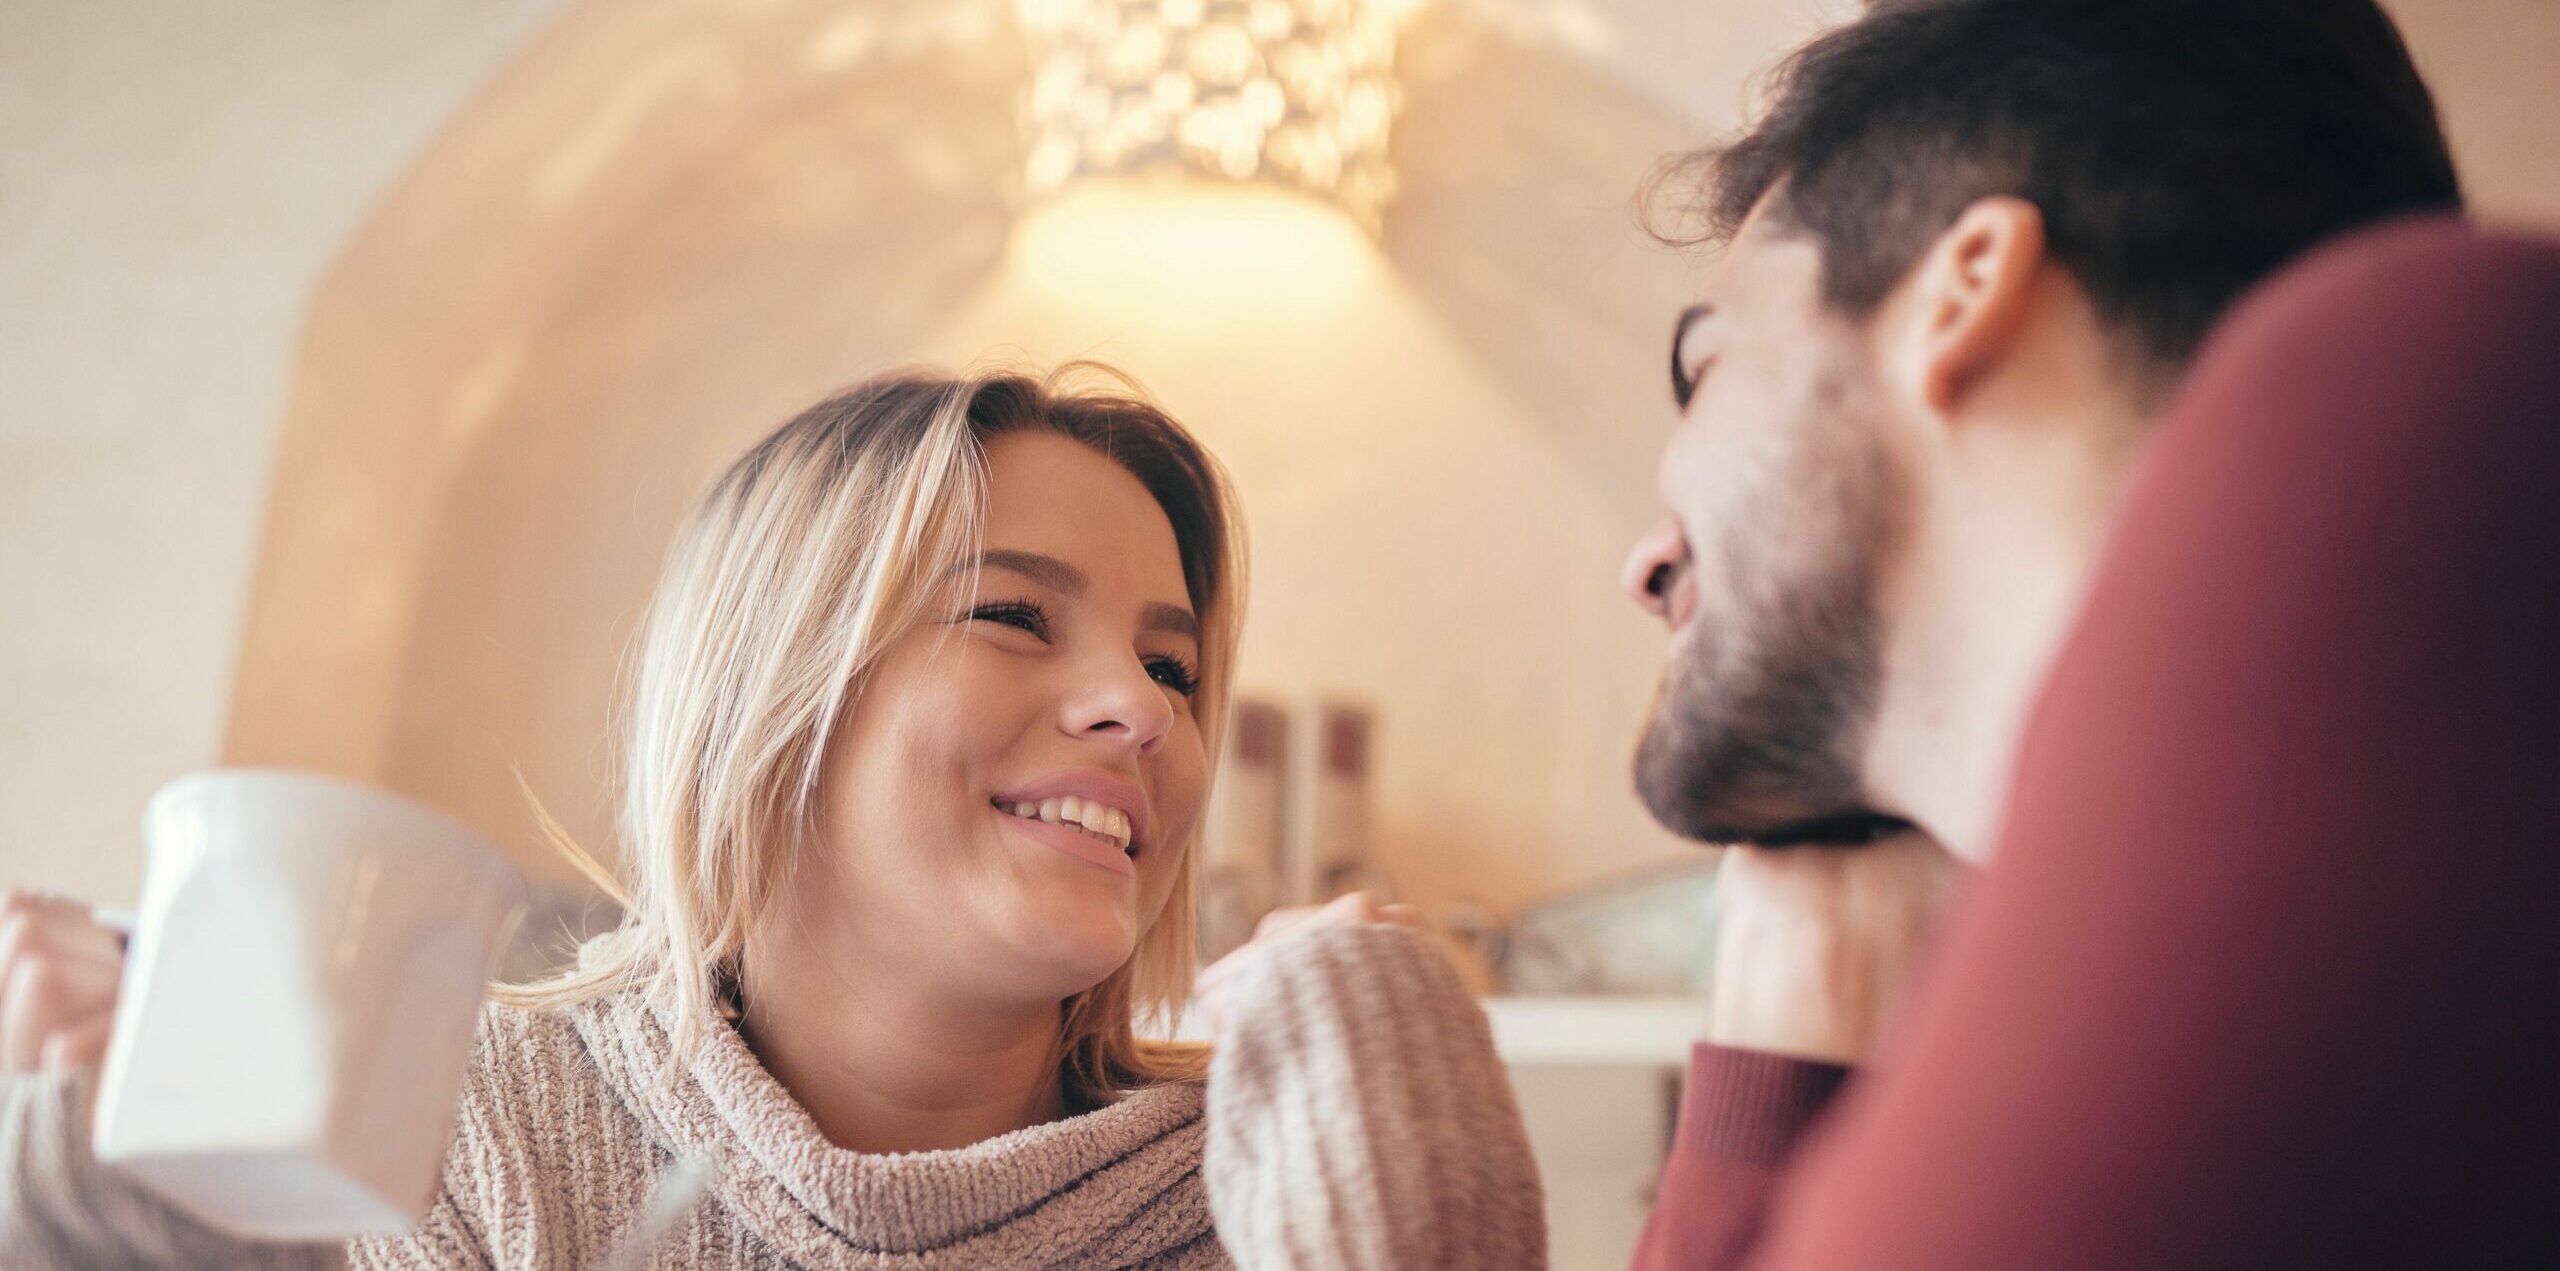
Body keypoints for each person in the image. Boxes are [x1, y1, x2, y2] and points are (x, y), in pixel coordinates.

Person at [0, 366, 1545, 1268]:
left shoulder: (1269, 1185)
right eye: (1014, 614)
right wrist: (87, 1192)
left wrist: (1392, 1164)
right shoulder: (474, 1124)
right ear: (766, 698)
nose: (1144, 709)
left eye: (1173, 662)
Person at [1611, 0, 2557, 1267]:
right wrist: (1790, 1013)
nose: (1644, 563)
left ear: (1961, 291)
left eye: (1707, 364)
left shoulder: (2434, 375)